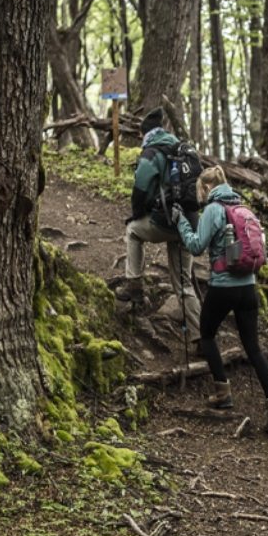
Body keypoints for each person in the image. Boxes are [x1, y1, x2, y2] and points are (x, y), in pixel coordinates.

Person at [174, 166, 268, 433]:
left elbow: (197, 246)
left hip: (223, 286)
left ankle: (223, 392)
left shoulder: (214, 209)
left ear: (207, 188)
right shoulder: (243, 209)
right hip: (249, 287)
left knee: (207, 334)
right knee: (254, 347)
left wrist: (181, 222)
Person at [116, 107, 201, 354]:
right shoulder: (182, 149)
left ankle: (134, 287)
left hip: (165, 222)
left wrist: (137, 213)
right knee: (184, 283)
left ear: (146, 133)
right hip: (189, 224)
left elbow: (141, 187)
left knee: (132, 230)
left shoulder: (152, 151)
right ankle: (200, 339)